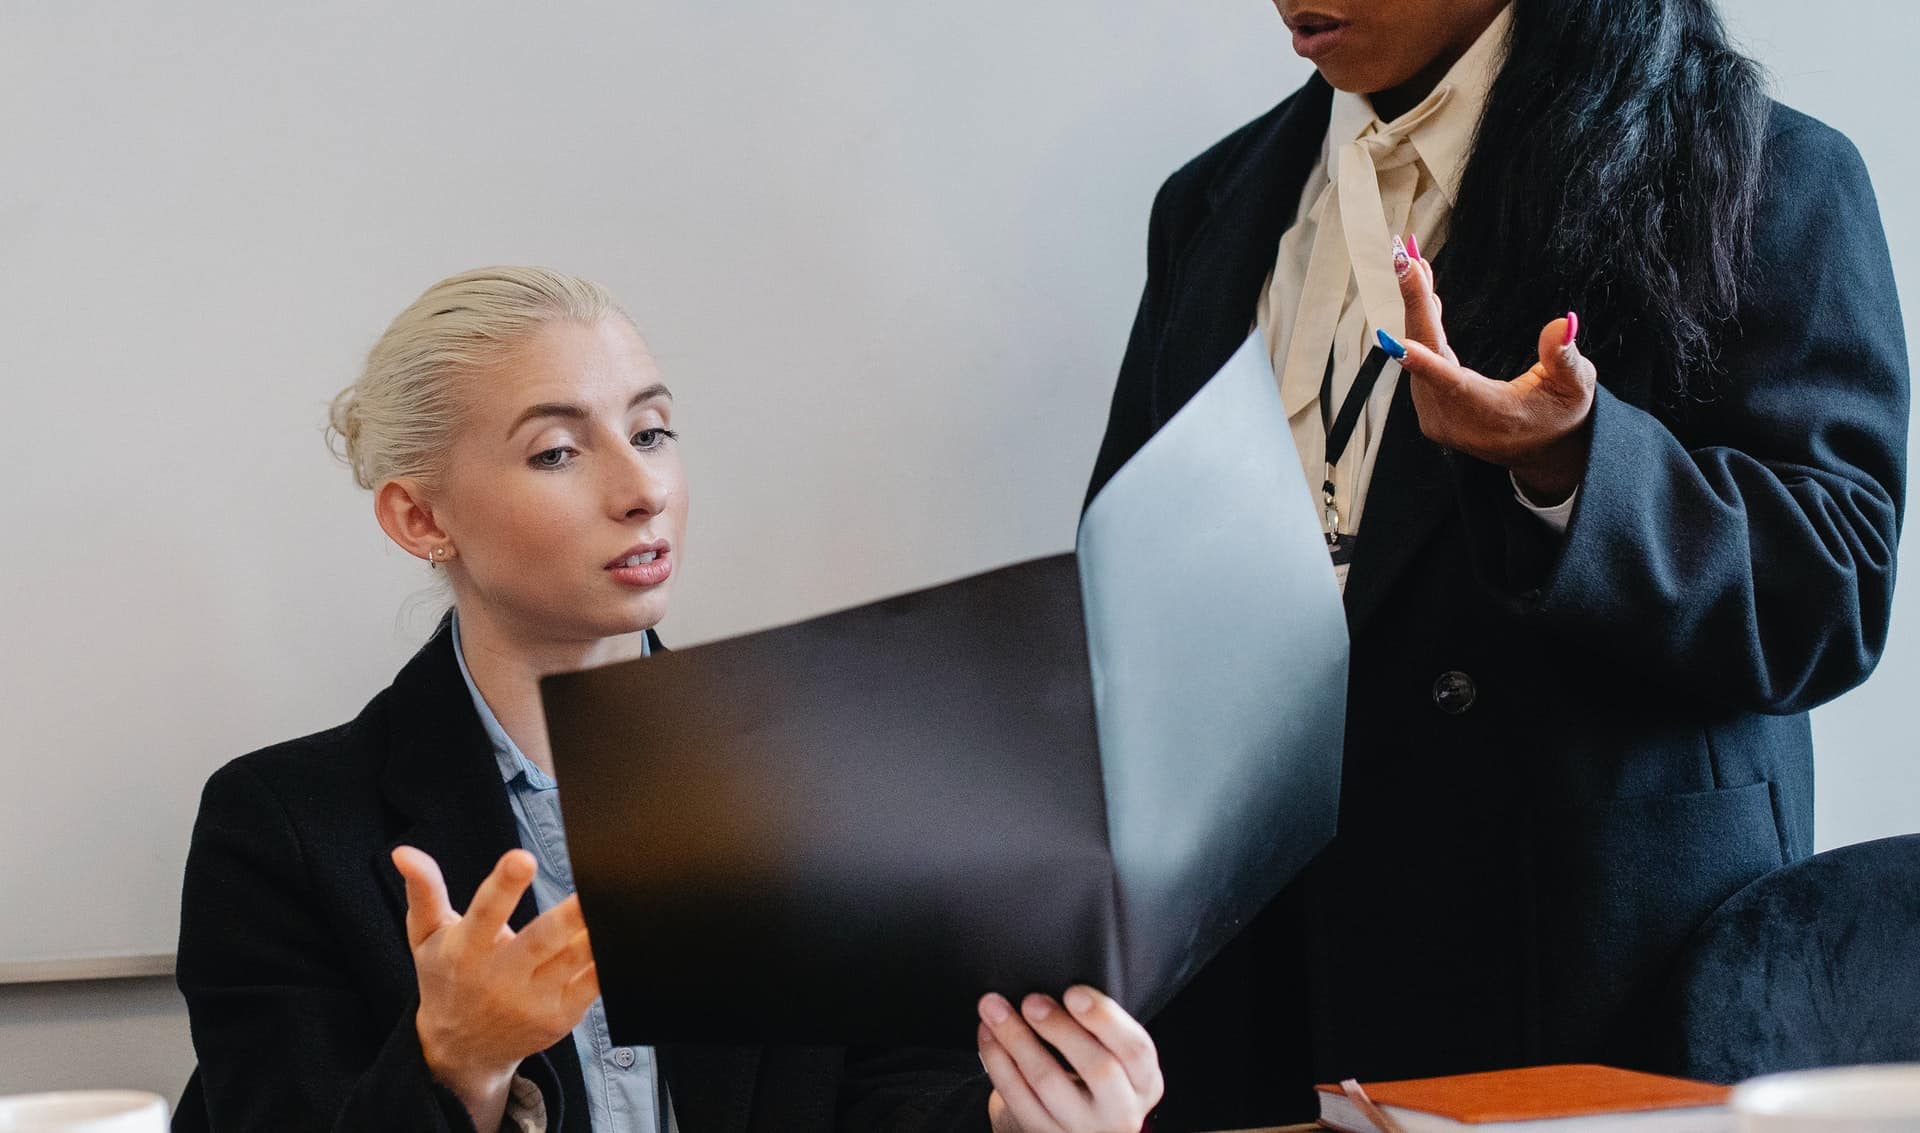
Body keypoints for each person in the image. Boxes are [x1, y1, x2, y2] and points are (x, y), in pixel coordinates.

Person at [1087, 1, 1908, 1128]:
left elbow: (1834, 587)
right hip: (1241, 989)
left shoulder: (1767, 171)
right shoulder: (1209, 205)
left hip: (1576, 994)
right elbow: (1123, 586)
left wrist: (1575, 464)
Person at [173, 267, 1163, 1133]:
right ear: (421, 514)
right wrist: (460, 1063)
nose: (642, 486)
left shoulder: (818, 772)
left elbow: (891, 1090)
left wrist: (1016, 1116)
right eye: (558, 450)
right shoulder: (283, 831)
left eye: (652, 429)